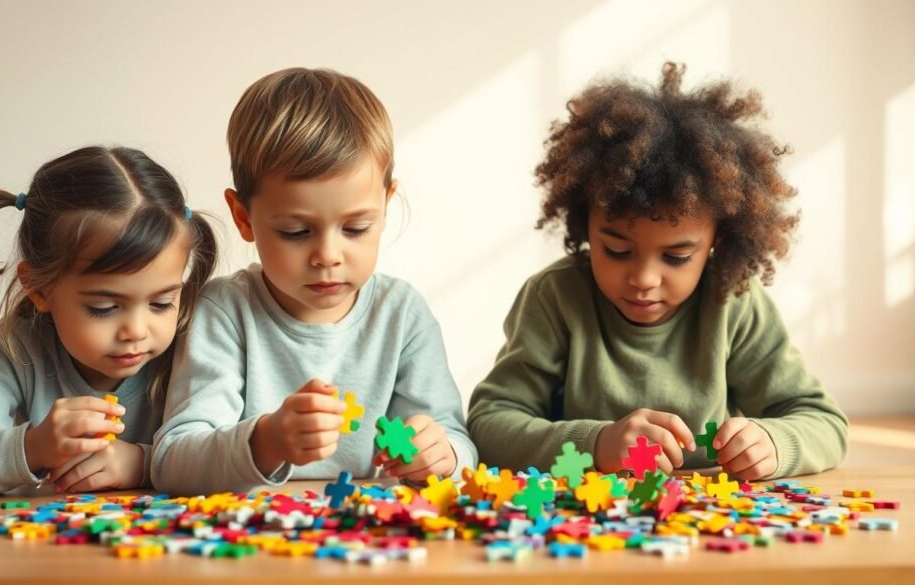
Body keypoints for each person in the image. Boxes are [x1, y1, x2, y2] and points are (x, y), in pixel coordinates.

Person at [468, 63, 848, 481]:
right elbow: (490, 424)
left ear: (717, 241)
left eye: (677, 257)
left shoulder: (732, 300)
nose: (644, 279)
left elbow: (823, 421)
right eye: (615, 249)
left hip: (708, 524)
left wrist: (775, 443)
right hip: (586, 524)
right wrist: (597, 443)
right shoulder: (556, 297)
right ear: (585, 225)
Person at [152, 68, 476, 495]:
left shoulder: (402, 314)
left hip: (373, 542)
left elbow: (457, 441)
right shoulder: (225, 311)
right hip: (251, 546)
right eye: (296, 232)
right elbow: (173, 460)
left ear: (386, 204)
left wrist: (443, 454)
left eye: (357, 228)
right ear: (243, 218)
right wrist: (267, 442)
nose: (328, 255)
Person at [0, 145, 217, 494]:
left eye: (161, 303)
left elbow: (232, 453)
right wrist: (32, 447)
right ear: (39, 289)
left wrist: (143, 464)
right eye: (104, 308)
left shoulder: (196, 342)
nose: (137, 332)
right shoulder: (22, 347)